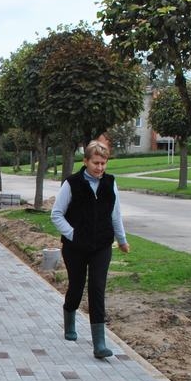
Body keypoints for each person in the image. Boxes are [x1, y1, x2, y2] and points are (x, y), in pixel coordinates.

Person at [50, 140, 130, 359]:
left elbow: (116, 215)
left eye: (103, 163)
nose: (100, 168)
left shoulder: (110, 183)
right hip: (75, 247)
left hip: (102, 245)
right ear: (85, 161)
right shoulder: (72, 183)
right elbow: (56, 214)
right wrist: (73, 234)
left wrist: (122, 240)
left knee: (97, 288)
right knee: (76, 286)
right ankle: (69, 320)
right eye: (96, 163)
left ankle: (99, 344)